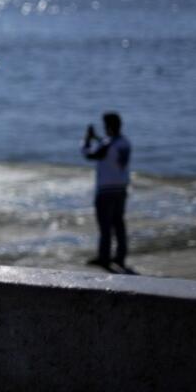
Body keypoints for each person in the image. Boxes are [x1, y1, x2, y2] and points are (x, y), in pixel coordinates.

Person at [81, 112, 134, 274]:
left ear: (109, 126)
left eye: (105, 126)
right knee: (119, 223)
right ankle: (120, 256)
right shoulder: (124, 142)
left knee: (105, 225)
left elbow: (89, 154)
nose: (104, 128)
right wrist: (97, 138)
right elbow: (109, 147)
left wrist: (86, 139)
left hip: (106, 189)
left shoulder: (107, 144)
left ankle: (104, 257)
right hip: (121, 188)